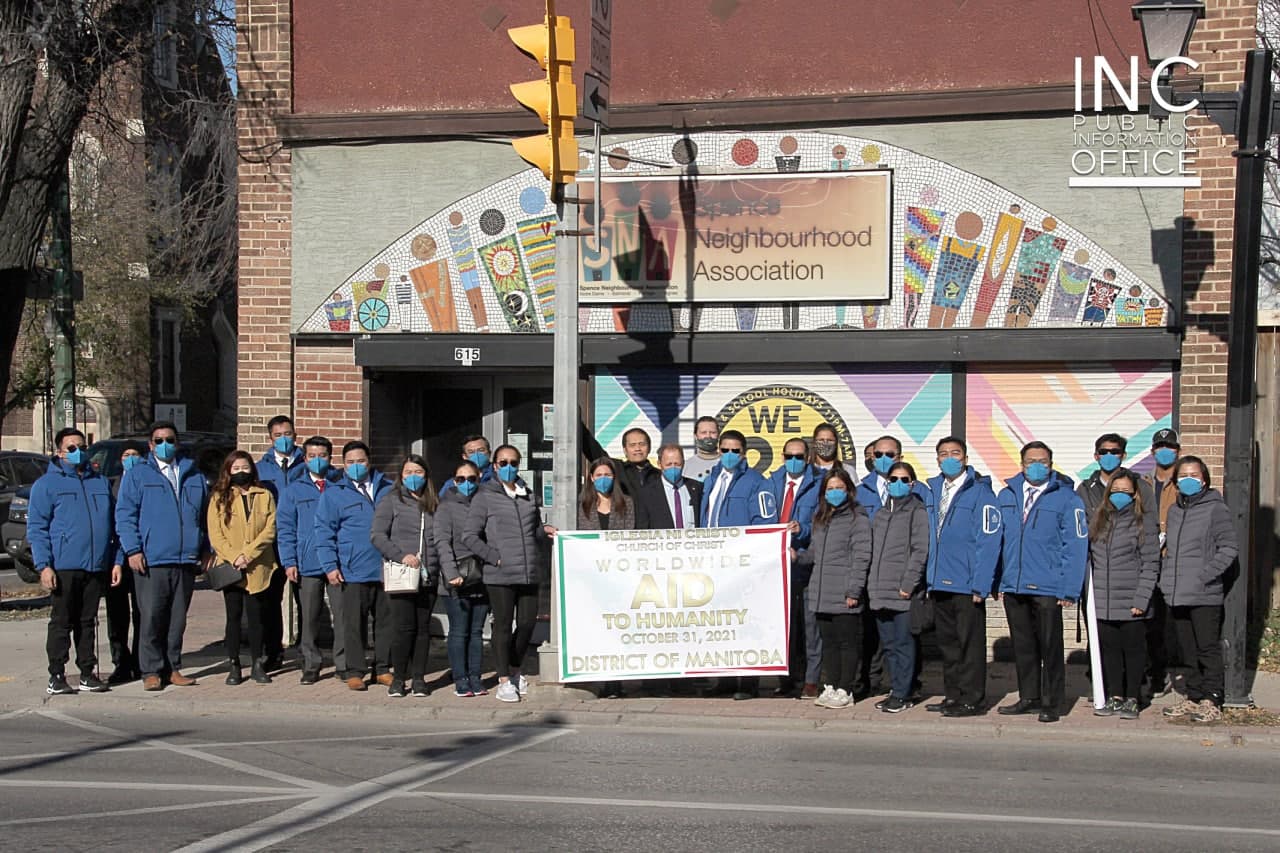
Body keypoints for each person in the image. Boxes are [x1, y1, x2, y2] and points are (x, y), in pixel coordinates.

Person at [995, 441, 1089, 723]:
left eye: (1043, 461)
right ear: (1021, 463)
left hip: (1048, 585)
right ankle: (1029, 697)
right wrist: (997, 580)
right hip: (1014, 584)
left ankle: (1052, 702)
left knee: (1050, 646)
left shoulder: (1067, 498)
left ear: (1051, 463)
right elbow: (996, 542)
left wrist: (1070, 587)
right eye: (1031, 460)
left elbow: (1075, 545)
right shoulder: (1006, 495)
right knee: (1023, 646)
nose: (1037, 465)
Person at [115, 421, 210, 691]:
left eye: (169, 439)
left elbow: (204, 517)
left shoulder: (193, 475)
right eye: (158, 440)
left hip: (185, 559)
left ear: (177, 443)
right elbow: (125, 515)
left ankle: (173, 667)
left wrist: (206, 548)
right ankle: (151, 670)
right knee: (152, 617)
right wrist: (133, 549)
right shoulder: (138, 475)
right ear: (150, 445)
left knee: (177, 619)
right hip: (152, 558)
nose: (164, 444)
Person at [463, 444, 556, 703]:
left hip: (528, 571)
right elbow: (469, 536)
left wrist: (545, 529)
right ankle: (504, 679)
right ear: (494, 465)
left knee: (527, 623)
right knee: (503, 626)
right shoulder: (485, 495)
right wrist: (494, 557)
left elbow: (534, 528)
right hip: (500, 573)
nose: (508, 467)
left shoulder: (527, 494)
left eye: (513, 462)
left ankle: (515, 670)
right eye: (503, 462)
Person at [28, 428, 117, 695]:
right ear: (59, 452)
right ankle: (57, 674)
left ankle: (88, 672)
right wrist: (44, 565)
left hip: (95, 564)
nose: (77, 451)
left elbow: (112, 525)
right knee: (62, 621)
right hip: (64, 565)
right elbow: (37, 528)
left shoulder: (99, 482)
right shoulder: (47, 485)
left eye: (81, 446)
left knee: (88, 621)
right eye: (71, 448)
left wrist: (115, 560)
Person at [925, 436, 1001, 717]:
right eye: (943, 453)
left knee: (970, 645)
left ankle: (972, 699)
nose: (949, 458)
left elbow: (989, 540)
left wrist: (982, 584)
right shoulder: (932, 490)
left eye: (955, 453)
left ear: (965, 458)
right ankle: (952, 695)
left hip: (967, 584)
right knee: (948, 644)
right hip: (939, 580)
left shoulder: (980, 493)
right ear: (937, 459)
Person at [1159, 456, 1238, 723]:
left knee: (1207, 648)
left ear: (1204, 479)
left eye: (1194, 474)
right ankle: (1193, 696)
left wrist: (1205, 575)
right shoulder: (1174, 511)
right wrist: (1166, 578)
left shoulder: (1216, 509)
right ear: (1176, 481)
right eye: (1183, 475)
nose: (1188, 479)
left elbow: (1228, 548)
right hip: (1177, 592)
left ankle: (1212, 698)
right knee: (1187, 649)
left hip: (1204, 593)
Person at [700, 429, 775, 700]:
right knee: (722, 622)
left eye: (735, 451)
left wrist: (753, 557)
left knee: (746, 621)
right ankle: (726, 678)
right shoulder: (711, 479)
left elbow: (765, 520)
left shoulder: (756, 481)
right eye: (725, 450)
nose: (729, 455)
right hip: (714, 563)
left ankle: (748, 681)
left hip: (742, 563)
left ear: (743, 453)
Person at [314, 440, 393, 691]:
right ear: (343, 465)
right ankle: (355, 670)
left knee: (385, 623)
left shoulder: (389, 489)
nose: (356, 466)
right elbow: (324, 532)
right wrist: (330, 565)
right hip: (352, 569)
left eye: (360, 461)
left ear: (369, 462)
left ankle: (382, 669)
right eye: (350, 462)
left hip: (385, 568)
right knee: (353, 624)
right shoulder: (334, 494)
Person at [793, 468, 871, 710]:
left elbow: (862, 557)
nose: (835, 493)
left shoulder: (858, 519)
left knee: (847, 643)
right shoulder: (821, 519)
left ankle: (846, 689)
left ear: (848, 490)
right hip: (820, 592)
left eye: (839, 488)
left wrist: (853, 591)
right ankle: (832, 685)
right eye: (830, 489)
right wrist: (797, 556)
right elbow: (815, 554)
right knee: (828, 644)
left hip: (844, 592)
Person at [1088, 468, 1159, 720]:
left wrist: (1142, 599)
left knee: (1134, 652)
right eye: (1115, 491)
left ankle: (1133, 697)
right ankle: (1115, 696)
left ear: (1135, 494)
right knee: (1111, 653)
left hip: (1132, 602)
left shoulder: (1144, 522)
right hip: (1104, 602)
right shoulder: (1098, 520)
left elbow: (1151, 564)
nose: (1120, 495)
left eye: (1125, 491)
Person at [371, 454, 441, 698]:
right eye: (408, 472)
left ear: (426, 475)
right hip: (401, 574)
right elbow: (378, 535)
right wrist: (401, 556)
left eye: (418, 472)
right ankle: (399, 678)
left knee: (422, 629)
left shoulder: (434, 503)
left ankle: (420, 678)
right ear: (401, 476)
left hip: (427, 575)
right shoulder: (391, 501)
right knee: (403, 628)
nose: (413, 477)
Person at [206, 451, 279, 685]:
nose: (241, 472)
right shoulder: (219, 497)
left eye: (244, 467)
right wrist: (234, 556)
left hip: (258, 565)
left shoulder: (264, 495)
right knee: (234, 618)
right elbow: (216, 534)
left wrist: (249, 554)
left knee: (257, 618)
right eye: (235, 468)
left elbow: (270, 528)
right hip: (231, 567)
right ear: (228, 471)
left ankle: (258, 663)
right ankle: (234, 664)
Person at [278, 436, 344, 684]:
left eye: (323, 455)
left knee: (342, 614)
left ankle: (343, 663)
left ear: (330, 457)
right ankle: (310, 663)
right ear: (304, 459)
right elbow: (285, 528)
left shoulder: (341, 485)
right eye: (313, 456)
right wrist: (289, 561)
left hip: (338, 562)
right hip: (307, 562)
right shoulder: (293, 490)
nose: (318, 460)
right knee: (309, 616)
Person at [867, 461, 930, 713]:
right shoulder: (881, 514)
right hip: (880, 591)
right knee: (890, 646)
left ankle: (904, 694)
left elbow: (920, 551)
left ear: (912, 484)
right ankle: (896, 688)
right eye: (894, 479)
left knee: (904, 645)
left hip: (903, 593)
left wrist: (908, 585)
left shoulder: (917, 512)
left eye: (904, 480)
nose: (898, 484)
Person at [766, 437, 822, 698]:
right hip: (778, 565)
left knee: (810, 628)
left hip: (806, 562)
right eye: (790, 456)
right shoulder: (771, 482)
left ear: (808, 458)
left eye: (799, 457)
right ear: (783, 457)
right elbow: (761, 518)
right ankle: (786, 679)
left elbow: (823, 520)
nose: (794, 461)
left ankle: (811, 680)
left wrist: (804, 529)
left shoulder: (819, 483)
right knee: (783, 626)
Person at [577, 457, 635, 698]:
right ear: (591, 478)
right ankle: (598, 675)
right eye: (598, 475)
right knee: (597, 627)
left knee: (618, 628)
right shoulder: (581, 505)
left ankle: (616, 681)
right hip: (592, 576)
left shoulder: (627, 503)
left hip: (618, 575)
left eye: (607, 475)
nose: (603, 479)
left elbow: (629, 535)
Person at [434, 460, 490, 697]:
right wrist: (451, 573)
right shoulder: (446, 506)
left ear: (479, 478)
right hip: (457, 576)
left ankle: (476, 677)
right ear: (454, 481)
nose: (466, 483)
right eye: (461, 479)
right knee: (459, 630)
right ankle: (460, 679)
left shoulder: (487, 502)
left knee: (477, 631)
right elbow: (441, 542)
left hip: (483, 575)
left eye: (471, 479)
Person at [254, 415, 305, 671]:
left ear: (295, 435)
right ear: (270, 438)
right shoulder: (260, 469)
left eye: (288, 434)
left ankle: (307, 651)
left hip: (302, 539)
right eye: (278, 435)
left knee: (305, 600)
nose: (284, 439)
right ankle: (272, 652)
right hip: (272, 542)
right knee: (270, 600)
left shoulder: (308, 463)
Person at [1144, 426, 1183, 698]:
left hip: (1173, 561)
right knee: (1150, 622)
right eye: (1160, 446)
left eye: (1170, 446)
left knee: (1173, 621)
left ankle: (1174, 672)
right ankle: (1155, 674)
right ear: (1152, 452)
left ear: (1177, 451)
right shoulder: (1143, 484)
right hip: (1146, 562)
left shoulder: (1184, 484)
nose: (1165, 451)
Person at [104, 441, 147, 684]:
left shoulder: (146, 484)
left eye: (135, 454)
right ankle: (121, 662)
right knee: (117, 616)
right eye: (126, 455)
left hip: (141, 557)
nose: (130, 459)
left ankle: (142, 662)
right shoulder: (111, 486)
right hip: (116, 561)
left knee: (143, 613)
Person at [1076, 434, 1155, 518]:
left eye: (1114, 452)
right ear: (1096, 456)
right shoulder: (1085, 490)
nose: (1109, 456)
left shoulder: (1140, 486)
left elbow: (1151, 519)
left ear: (1123, 455)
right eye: (1103, 452)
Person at [637, 444, 703, 530]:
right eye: (668, 464)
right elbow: (643, 528)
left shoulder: (697, 488)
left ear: (683, 463)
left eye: (677, 464)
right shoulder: (646, 493)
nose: (673, 467)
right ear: (659, 464)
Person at [617, 427, 659, 498]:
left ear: (649, 448)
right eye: (632, 445)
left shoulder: (659, 476)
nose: (638, 449)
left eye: (642, 444)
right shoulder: (617, 471)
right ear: (625, 450)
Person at [684, 416, 721, 483]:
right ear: (695, 436)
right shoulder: (685, 467)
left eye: (712, 432)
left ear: (718, 435)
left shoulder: (728, 464)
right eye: (703, 432)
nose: (708, 436)